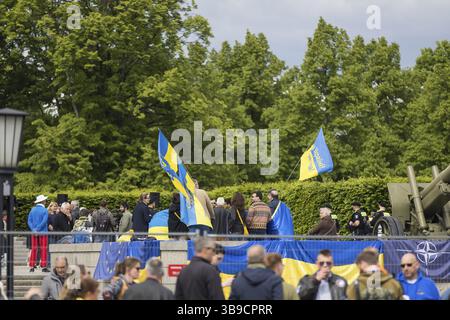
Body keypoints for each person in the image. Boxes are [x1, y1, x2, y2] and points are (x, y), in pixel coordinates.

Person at [27, 195, 49, 272]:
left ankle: (31, 266)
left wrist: (34, 229)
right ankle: (43, 266)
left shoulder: (32, 210)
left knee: (34, 248)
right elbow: (44, 221)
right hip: (43, 232)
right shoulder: (45, 210)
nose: (46, 202)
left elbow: (29, 221)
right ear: (43, 201)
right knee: (43, 249)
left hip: (34, 232)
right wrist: (38, 229)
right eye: (45, 200)